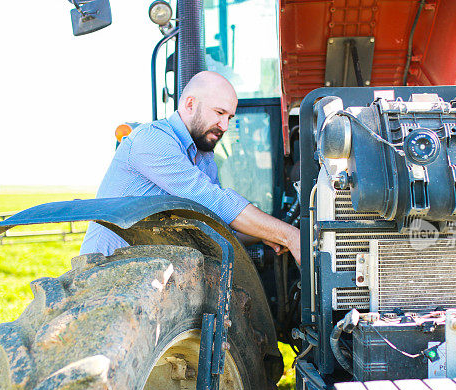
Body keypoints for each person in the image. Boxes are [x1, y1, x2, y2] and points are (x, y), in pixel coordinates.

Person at [79, 71, 301, 265]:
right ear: (190, 104)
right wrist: (290, 235)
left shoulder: (203, 158)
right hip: (108, 273)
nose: (225, 126)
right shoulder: (152, 140)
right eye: (219, 113)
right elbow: (215, 201)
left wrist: (263, 233)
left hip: (154, 271)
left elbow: (217, 226)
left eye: (230, 117)